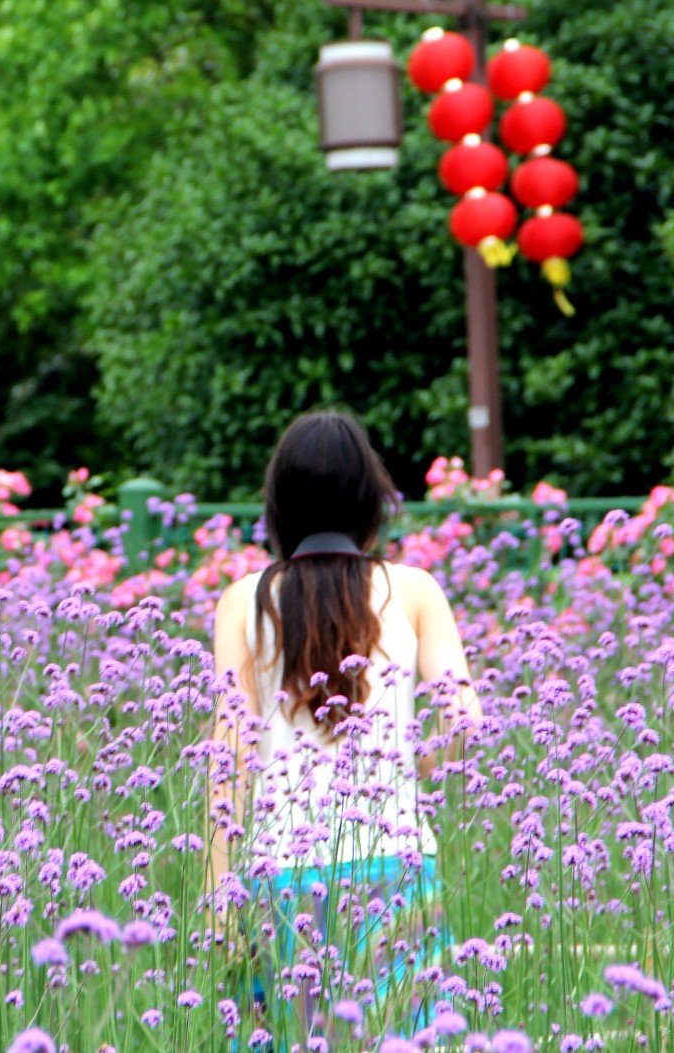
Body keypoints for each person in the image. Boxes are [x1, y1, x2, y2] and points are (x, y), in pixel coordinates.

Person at [205, 409, 483, 1041]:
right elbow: (465, 718)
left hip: (280, 875)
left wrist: (220, 890)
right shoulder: (413, 590)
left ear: (280, 505)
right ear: (369, 501)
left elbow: (231, 755)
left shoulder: (246, 601)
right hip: (397, 863)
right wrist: (412, 769)